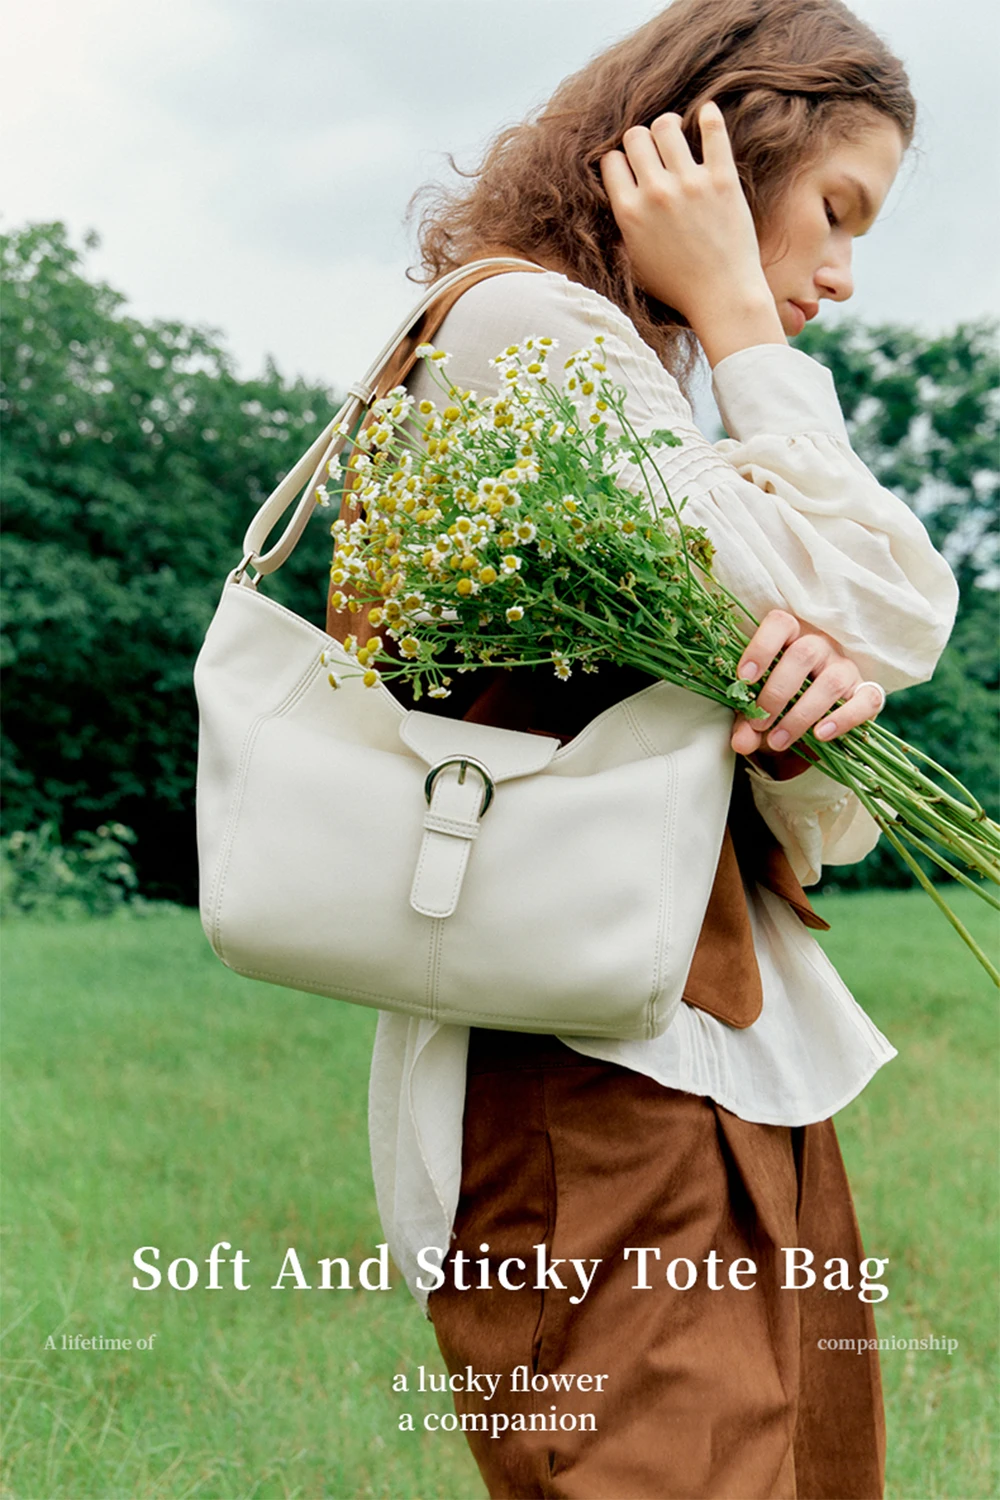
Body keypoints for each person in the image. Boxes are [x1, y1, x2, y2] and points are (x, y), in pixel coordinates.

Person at [340, 1, 959, 1494]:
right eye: (833, 210)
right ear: (718, 149)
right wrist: (743, 324)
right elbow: (897, 602)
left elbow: (829, 683)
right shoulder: (524, 331)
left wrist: (806, 733)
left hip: (728, 1062)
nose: (839, 274)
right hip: (595, 1077)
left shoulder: (632, 381)